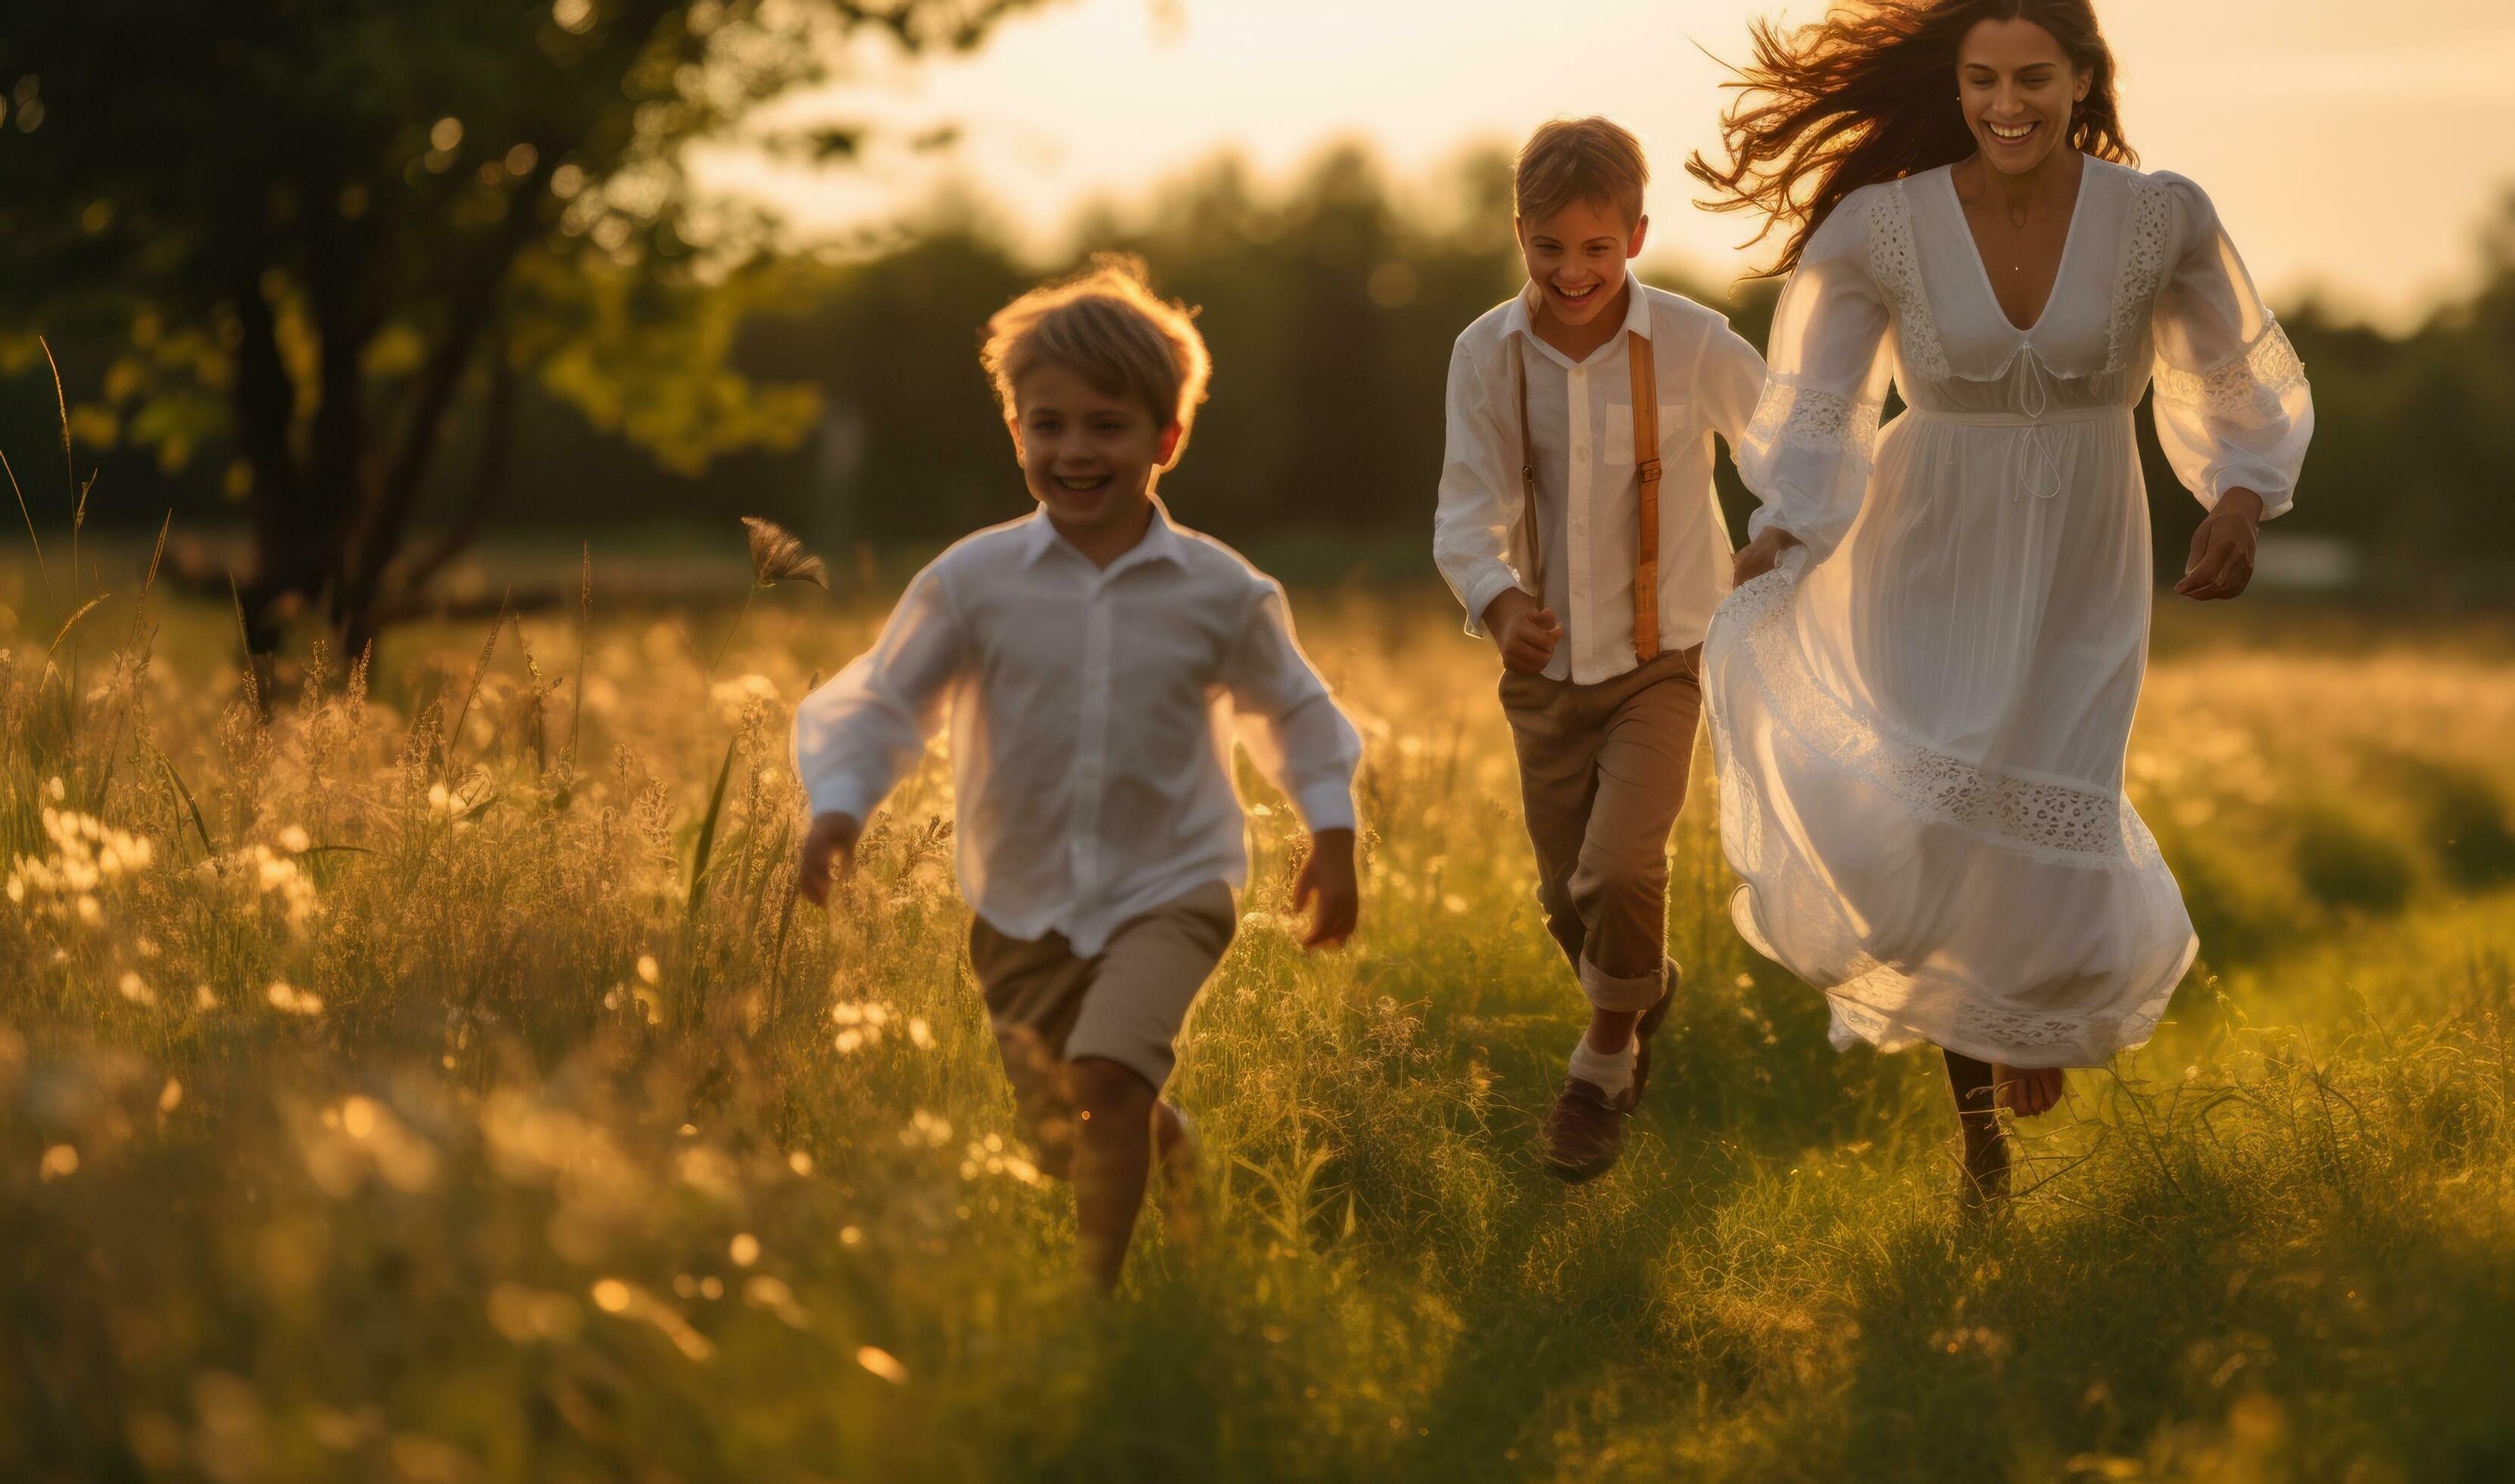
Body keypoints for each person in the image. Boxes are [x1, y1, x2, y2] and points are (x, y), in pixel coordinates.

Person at [1690, 0, 2314, 1202]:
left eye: (2034, 77)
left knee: (2047, 783)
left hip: (2085, 549)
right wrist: (1781, 536)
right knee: (1934, 807)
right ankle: (1981, 1121)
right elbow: (1822, 408)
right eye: (1984, 80)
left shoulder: (2160, 217)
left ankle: (2022, 1012)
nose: (2007, 104)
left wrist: (2239, 501)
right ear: (1959, 85)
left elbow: (2231, 376)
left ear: (2083, 78)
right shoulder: (1881, 228)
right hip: (1921, 541)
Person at [794, 256, 1363, 1289]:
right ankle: (1168, 1153)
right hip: (1019, 905)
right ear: (1015, 433)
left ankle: (1092, 1304)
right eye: (1046, 424)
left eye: (1106, 425)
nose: (1075, 449)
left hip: (1172, 886)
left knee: (1104, 1074)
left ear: (1166, 439)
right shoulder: (973, 582)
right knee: (1067, 1128)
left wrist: (1331, 834)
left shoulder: (1219, 592)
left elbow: (1295, 711)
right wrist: (838, 808)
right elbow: (884, 699)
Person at [1434, 117, 1770, 1182]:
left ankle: (1603, 1067)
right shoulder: (1485, 355)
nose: (1572, 272)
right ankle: (1640, 989)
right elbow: (1466, 511)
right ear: (1519, 235)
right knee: (1567, 901)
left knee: (1623, 866)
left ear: (1635, 234)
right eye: (1548, 248)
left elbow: (1789, 445)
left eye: (1596, 247)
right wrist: (1495, 600)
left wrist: (1778, 540)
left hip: (1664, 660)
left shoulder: (1695, 342)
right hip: (1542, 679)